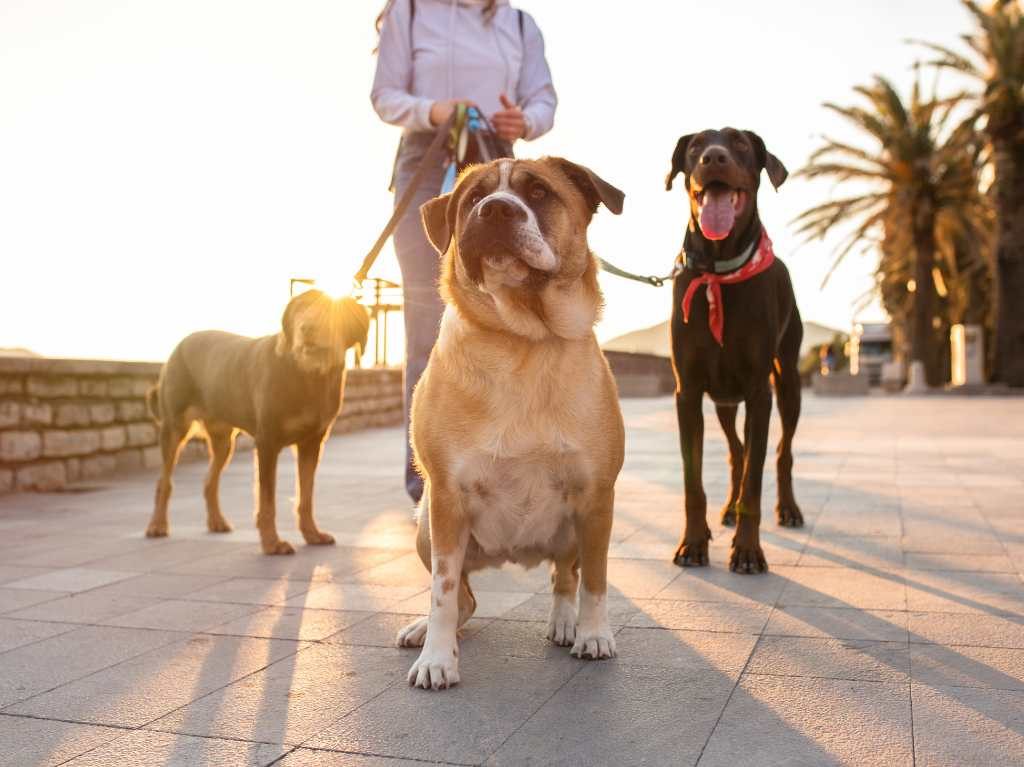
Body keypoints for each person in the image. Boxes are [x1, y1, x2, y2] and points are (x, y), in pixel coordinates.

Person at [371, 0, 557, 502]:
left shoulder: (518, 23)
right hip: (427, 162)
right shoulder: (409, 11)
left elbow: (544, 101)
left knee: (506, 314)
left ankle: (503, 465)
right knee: (427, 319)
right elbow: (384, 95)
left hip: (500, 167)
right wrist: (432, 110)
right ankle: (429, 482)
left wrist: (525, 121)